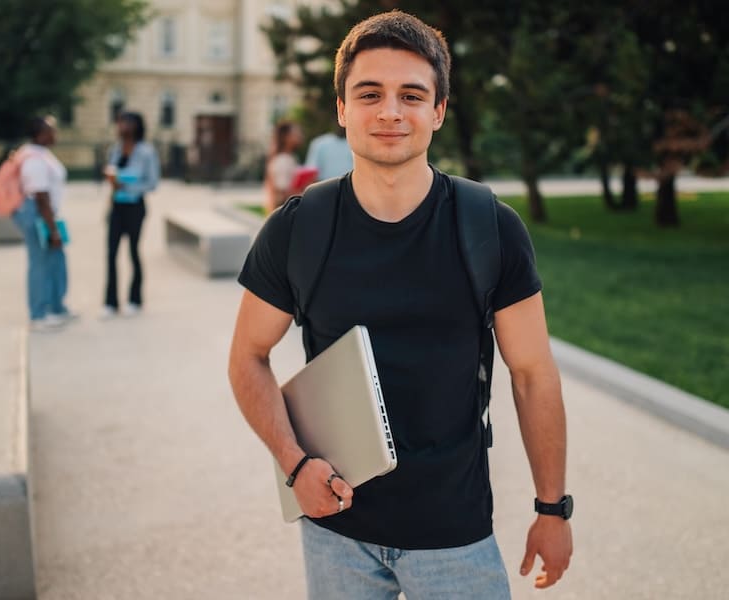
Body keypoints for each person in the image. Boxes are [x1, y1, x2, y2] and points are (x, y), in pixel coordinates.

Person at [228, 10, 573, 599]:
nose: (390, 111)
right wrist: (294, 465)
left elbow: (533, 375)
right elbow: (247, 358)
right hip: (336, 526)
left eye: (412, 95)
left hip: (454, 534)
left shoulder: (489, 226)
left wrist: (553, 508)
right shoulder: (298, 229)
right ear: (341, 109)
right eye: (370, 94)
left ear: (438, 111)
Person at [12, 116, 75, 332]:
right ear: (39, 134)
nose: (54, 134)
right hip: (38, 214)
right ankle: (38, 313)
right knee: (40, 262)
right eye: (51, 131)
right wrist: (53, 229)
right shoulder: (33, 158)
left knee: (56, 258)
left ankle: (56, 306)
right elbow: (40, 195)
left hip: (48, 213)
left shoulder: (42, 154)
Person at [102, 111, 159, 318]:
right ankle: (110, 303)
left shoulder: (146, 151)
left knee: (134, 252)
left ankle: (135, 299)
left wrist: (126, 185)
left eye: (127, 122)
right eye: (120, 122)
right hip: (117, 206)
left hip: (136, 207)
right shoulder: (115, 150)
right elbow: (111, 176)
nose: (123, 126)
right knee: (111, 254)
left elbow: (152, 183)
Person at [263, 119, 304, 214]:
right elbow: (282, 193)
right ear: (286, 137)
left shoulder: (290, 157)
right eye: (296, 133)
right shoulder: (282, 160)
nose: (300, 136)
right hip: (284, 212)